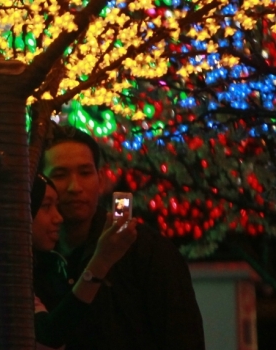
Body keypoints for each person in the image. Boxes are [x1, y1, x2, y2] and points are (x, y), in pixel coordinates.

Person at [40, 123, 206, 350]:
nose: (74, 186)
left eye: (85, 173)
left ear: (100, 179)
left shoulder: (145, 249)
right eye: (60, 175)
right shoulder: (34, 256)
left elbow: (183, 335)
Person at [0, 174, 138, 350]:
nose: (59, 218)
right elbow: (47, 337)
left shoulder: (44, 268)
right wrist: (101, 261)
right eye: (46, 206)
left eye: (57, 206)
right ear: (16, 214)